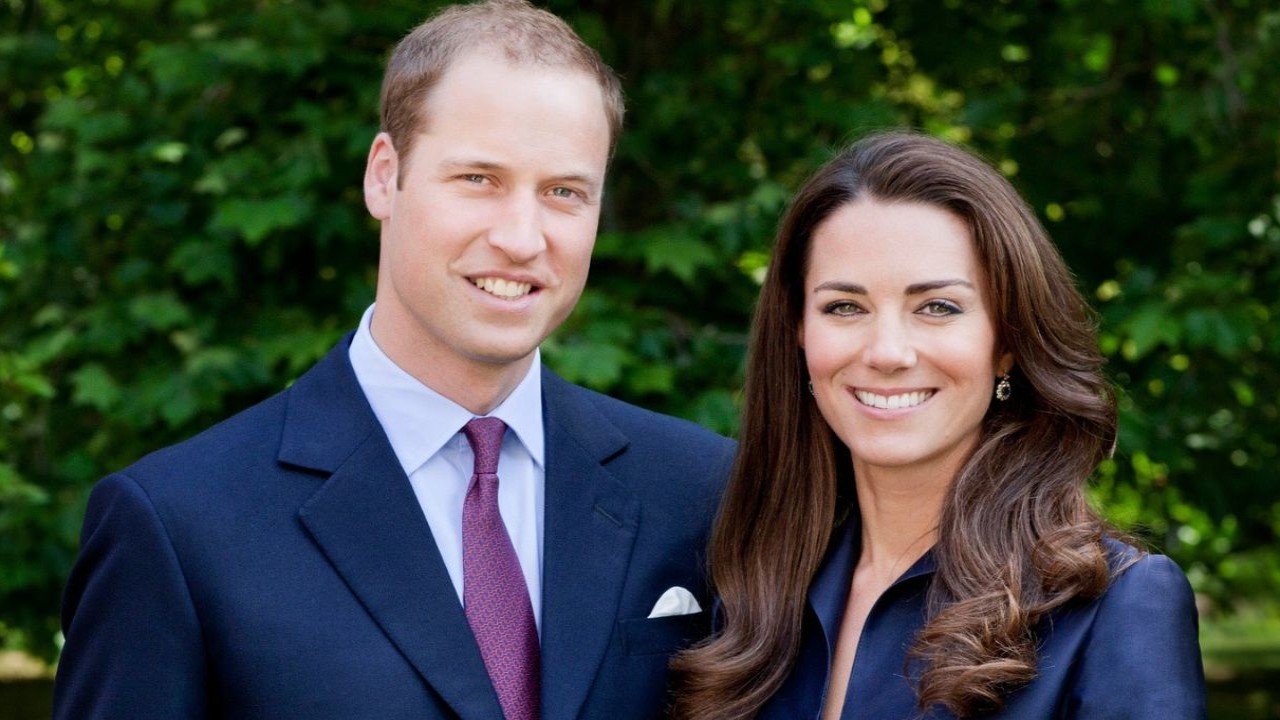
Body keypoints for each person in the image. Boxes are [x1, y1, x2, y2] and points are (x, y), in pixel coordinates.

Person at [53, 2, 733, 718]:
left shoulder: (699, 492)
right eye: (479, 179)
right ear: (385, 176)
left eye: (564, 192)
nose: (523, 237)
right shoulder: (178, 526)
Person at [668, 132, 1206, 719]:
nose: (888, 352)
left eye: (937, 308)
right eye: (845, 307)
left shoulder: (1114, 605)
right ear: (798, 334)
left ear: (1007, 344)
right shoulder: (751, 599)